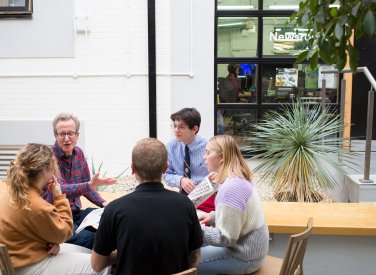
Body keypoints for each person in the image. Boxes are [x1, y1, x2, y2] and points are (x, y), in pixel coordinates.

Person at [91, 138, 203, 275]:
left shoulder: (114, 209)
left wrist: (122, 252)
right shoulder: (186, 204)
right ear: (165, 168)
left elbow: (97, 265)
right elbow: (195, 257)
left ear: (132, 168)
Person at [0, 143, 107, 275]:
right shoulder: (36, 205)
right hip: (29, 266)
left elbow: (28, 229)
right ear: (45, 170)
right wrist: (59, 196)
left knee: (89, 253)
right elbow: (65, 232)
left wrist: (51, 242)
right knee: (101, 265)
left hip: (18, 258)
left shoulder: (12, 193)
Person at [42, 113, 117, 249]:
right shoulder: (48, 159)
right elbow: (61, 190)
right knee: (92, 239)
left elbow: (87, 187)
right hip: (58, 217)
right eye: (61, 134)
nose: (66, 139)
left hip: (77, 213)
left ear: (77, 135)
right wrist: (89, 185)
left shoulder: (79, 153)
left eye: (70, 133)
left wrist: (104, 203)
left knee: (111, 221)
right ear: (55, 135)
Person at [197, 135, 269, 275]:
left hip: (243, 257)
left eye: (208, 152)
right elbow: (238, 215)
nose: (204, 157)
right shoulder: (238, 179)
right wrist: (212, 216)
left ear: (221, 157)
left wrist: (195, 230)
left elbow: (226, 238)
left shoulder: (231, 188)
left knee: (185, 260)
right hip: (251, 251)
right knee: (195, 247)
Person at [163, 107, 216, 213]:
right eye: (174, 126)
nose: (176, 130)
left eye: (181, 127)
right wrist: (180, 180)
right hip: (183, 197)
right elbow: (165, 174)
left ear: (195, 129)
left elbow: (219, 173)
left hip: (207, 197)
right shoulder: (171, 146)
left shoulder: (209, 147)